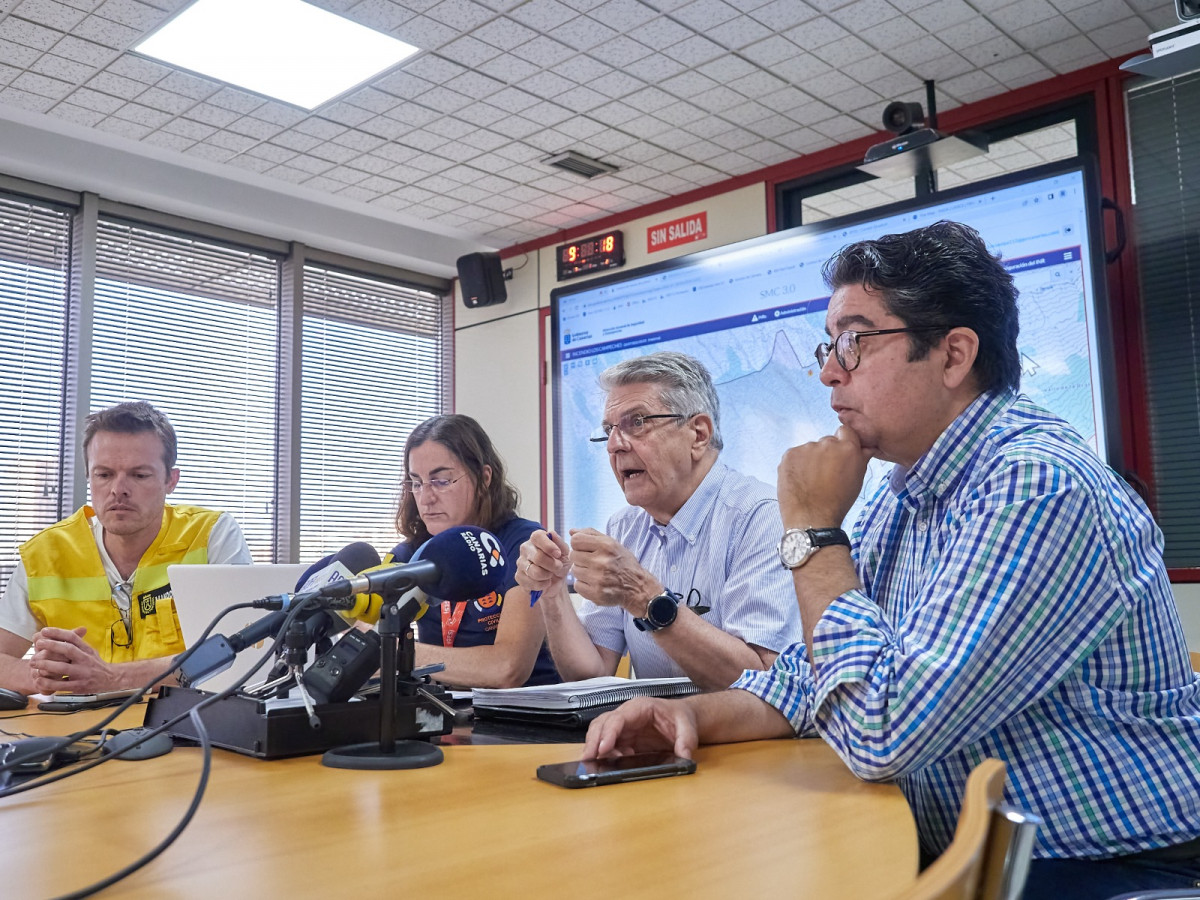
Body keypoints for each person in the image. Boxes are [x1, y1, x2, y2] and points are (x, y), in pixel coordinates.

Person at [582, 222, 1200, 899]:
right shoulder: (902, 494)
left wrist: (815, 532)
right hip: (959, 848)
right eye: (829, 344)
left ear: (953, 354)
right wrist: (689, 718)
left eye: (854, 341)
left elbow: (883, 733)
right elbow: (809, 683)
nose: (826, 371)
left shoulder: (1036, 485)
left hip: (1102, 868)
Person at [517, 351, 803, 692]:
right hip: (658, 735)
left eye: (636, 423)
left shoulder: (762, 516)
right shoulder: (624, 527)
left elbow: (761, 681)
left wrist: (645, 598)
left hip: (745, 741)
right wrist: (552, 592)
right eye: (609, 430)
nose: (614, 445)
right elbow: (590, 674)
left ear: (698, 434)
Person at [0, 401, 252, 696]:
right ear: (89, 478)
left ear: (170, 480)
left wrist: (112, 678)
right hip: (77, 733)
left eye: (139, 475)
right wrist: (52, 678)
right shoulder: (44, 554)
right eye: (104, 475)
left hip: (185, 729)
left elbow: (240, 650)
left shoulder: (212, 536)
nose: (118, 489)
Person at [390, 414, 557, 688]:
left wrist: (399, 654)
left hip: (527, 721)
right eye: (416, 483)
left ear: (484, 478)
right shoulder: (411, 554)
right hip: (445, 715)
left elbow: (507, 668)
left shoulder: (524, 543)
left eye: (441, 481)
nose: (426, 498)